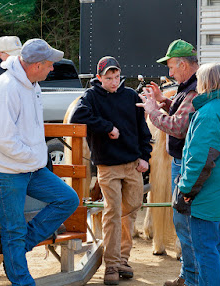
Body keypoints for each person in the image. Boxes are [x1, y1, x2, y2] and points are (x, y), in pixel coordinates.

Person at [0, 38, 79, 286]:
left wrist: (34, 159)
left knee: (68, 199)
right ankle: (22, 280)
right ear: (36, 65)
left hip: (25, 167)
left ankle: (18, 247)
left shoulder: (31, 84)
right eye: (50, 65)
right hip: (4, 170)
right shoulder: (6, 88)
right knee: (14, 230)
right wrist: (35, 157)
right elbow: (1, 139)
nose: (52, 69)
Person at [71, 56, 152, 285]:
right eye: (109, 78)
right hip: (108, 166)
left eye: (117, 77)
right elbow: (78, 115)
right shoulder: (91, 96)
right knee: (113, 212)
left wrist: (145, 156)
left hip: (132, 164)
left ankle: (123, 259)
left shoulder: (131, 96)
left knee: (131, 211)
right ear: (99, 78)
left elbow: (142, 129)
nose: (114, 82)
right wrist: (107, 127)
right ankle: (112, 265)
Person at [137, 39, 200, 286]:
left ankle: (191, 278)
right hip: (183, 162)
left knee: (185, 225)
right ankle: (188, 276)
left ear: (183, 65)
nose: (169, 72)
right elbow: (181, 112)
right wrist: (165, 101)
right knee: (184, 224)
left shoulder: (193, 90)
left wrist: (153, 110)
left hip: (185, 163)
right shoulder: (190, 87)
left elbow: (177, 126)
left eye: (171, 67)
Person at [176, 63, 220, 286]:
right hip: (218, 192)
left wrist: (186, 190)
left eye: (200, 79)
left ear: (208, 82)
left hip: (205, 195)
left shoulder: (209, 114)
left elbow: (201, 160)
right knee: (213, 249)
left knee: (204, 252)